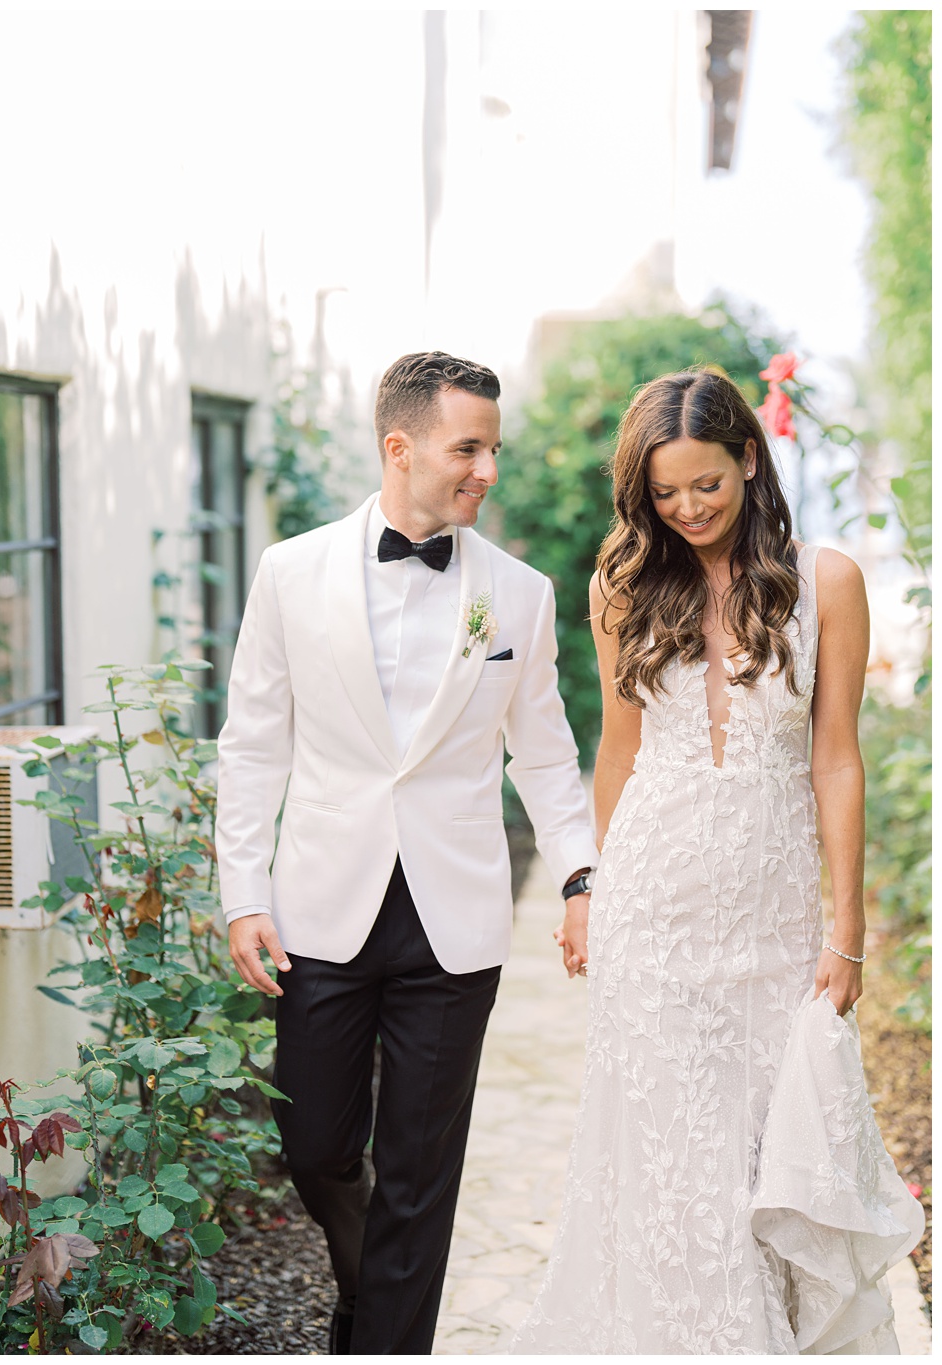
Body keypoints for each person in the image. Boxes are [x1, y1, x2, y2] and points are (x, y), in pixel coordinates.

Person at [512, 369, 922, 1352]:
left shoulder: (825, 583)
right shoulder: (621, 585)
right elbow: (615, 752)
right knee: (670, 1158)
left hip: (772, 921)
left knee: (759, 1152)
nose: (686, 508)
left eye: (705, 484)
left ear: (747, 458)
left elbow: (835, 761)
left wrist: (848, 931)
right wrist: (585, 891)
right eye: (663, 493)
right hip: (648, 906)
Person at [215, 351, 600, 1354]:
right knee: (314, 1149)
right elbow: (253, 744)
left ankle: (382, 1340)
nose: (486, 470)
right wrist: (239, 894)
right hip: (318, 909)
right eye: (465, 448)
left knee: (419, 1177)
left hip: (452, 921)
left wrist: (578, 874)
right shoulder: (288, 574)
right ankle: (364, 1285)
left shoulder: (516, 596)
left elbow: (546, 752)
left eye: (491, 450)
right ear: (398, 446)